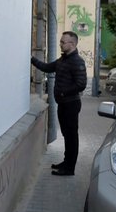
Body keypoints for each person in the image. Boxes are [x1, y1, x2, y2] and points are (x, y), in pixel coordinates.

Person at [31, 31, 88, 176]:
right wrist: (31, 59)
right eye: (61, 41)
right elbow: (47, 67)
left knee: (71, 136)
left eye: (63, 42)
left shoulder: (77, 61)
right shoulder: (63, 60)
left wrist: (63, 92)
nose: (60, 44)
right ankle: (66, 162)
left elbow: (81, 84)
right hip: (63, 104)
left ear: (72, 44)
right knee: (66, 135)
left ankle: (69, 168)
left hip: (71, 105)